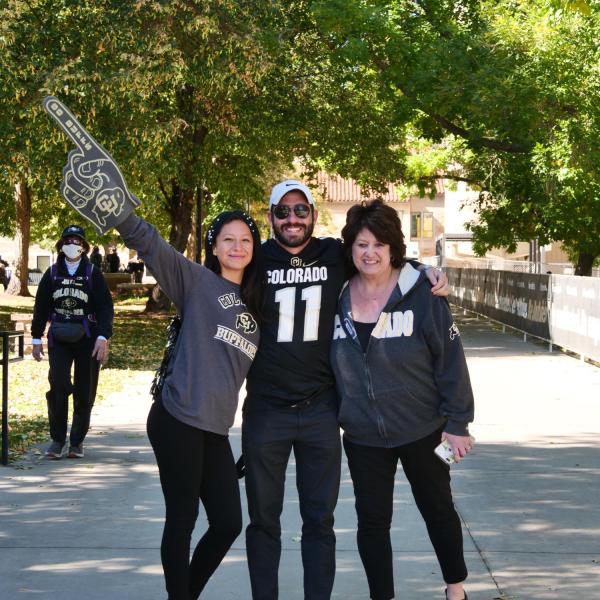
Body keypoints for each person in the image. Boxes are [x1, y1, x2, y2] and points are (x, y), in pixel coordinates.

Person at [242, 181, 449, 600]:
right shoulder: (254, 259)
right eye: (282, 212)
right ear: (270, 217)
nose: (292, 219)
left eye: (301, 210)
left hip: (321, 408)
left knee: (319, 520)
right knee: (264, 519)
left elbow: (380, 256)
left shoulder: (334, 255)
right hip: (266, 408)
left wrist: (425, 271)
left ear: (314, 214)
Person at [330, 200, 475, 600]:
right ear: (350, 249)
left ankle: (456, 589)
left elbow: (450, 362)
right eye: (361, 244)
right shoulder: (336, 296)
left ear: (393, 247)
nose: (369, 253)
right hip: (362, 436)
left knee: (438, 509)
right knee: (372, 521)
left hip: (423, 429)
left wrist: (458, 423)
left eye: (378, 244)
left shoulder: (423, 293)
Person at [116, 209, 264, 600]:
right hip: (177, 418)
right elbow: (152, 246)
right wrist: (121, 214)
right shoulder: (197, 282)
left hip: (214, 429)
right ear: (214, 246)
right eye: (228, 239)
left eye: (246, 240)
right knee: (182, 520)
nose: (237, 246)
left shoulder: (257, 304)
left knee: (228, 522)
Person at [31, 225, 113, 459]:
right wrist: (36, 337)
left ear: (84, 247)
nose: (73, 245)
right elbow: (41, 306)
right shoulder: (53, 273)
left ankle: (77, 441)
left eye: (77, 241)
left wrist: (102, 336)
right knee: (58, 384)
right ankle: (57, 440)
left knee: (85, 389)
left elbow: (106, 307)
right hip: (59, 336)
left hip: (87, 337)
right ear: (61, 244)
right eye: (68, 240)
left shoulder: (92, 273)